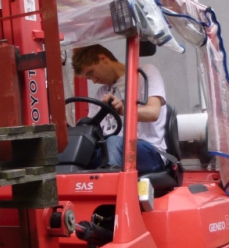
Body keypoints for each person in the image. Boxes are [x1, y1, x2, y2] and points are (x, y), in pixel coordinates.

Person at [71, 44, 166, 174]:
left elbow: (153, 113)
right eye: (89, 78)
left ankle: (111, 183)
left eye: (91, 72)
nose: (94, 81)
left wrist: (124, 110)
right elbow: (91, 128)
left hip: (148, 151)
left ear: (103, 58)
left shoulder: (145, 73)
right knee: (79, 152)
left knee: (113, 141)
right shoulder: (101, 93)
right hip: (110, 150)